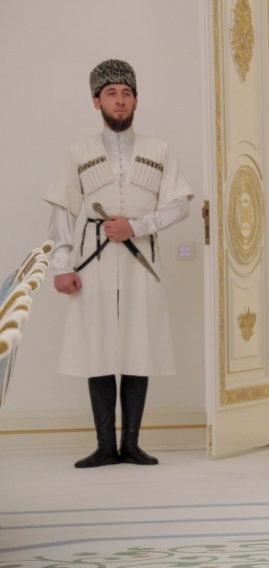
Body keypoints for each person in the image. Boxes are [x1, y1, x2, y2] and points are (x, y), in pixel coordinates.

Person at [44, 59, 193, 468]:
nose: (120, 100)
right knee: (97, 349)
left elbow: (179, 203)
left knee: (138, 346)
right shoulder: (78, 151)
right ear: (97, 102)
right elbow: (62, 210)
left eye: (127, 93)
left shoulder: (159, 149)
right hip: (92, 261)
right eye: (111, 93)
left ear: (136, 101)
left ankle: (131, 444)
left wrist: (138, 226)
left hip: (141, 260)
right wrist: (61, 265)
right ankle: (105, 446)